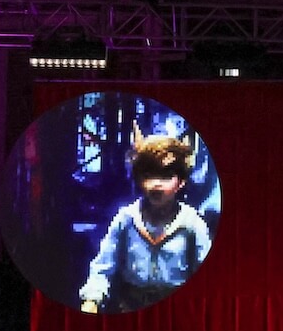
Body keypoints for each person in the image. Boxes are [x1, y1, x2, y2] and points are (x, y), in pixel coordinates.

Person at [78, 129, 211, 314]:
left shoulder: (192, 224)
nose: (156, 184)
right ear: (140, 179)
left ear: (181, 182)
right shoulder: (126, 219)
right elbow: (102, 267)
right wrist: (92, 300)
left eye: (166, 176)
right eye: (149, 175)